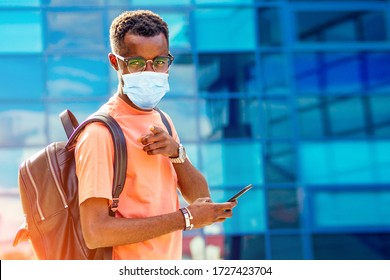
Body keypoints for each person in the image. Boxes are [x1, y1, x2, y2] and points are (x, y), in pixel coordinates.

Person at [75, 9, 237, 260]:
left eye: (159, 62)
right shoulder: (100, 133)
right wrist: (185, 218)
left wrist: (176, 153)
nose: (150, 72)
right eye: (138, 63)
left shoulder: (162, 120)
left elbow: (200, 197)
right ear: (115, 62)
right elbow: (96, 232)